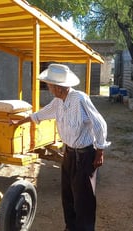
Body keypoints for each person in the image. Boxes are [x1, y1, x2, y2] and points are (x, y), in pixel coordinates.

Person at [14, 63, 110, 231]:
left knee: (84, 200)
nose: (49, 87)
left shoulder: (80, 99)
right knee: (68, 195)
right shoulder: (58, 101)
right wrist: (18, 122)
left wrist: (100, 151)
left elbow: (99, 123)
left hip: (85, 155)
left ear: (59, 87)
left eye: (50, 85)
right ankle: (70, 227)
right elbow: (41, 114)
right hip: (69, 154)